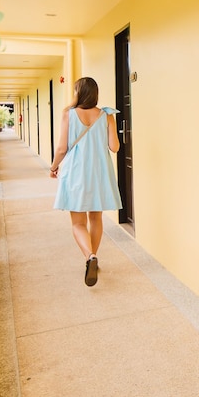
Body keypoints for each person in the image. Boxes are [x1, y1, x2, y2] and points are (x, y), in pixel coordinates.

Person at [49, 77, 121, 286]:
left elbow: (61, 148)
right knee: (96, 218)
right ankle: (93, 258)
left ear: (78, 93)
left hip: (76, 172)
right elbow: (115, 147)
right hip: (99, 173)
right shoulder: (106, 115)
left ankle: (90, 256)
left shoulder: (69, 114)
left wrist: (53, 167)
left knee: (78, 223)